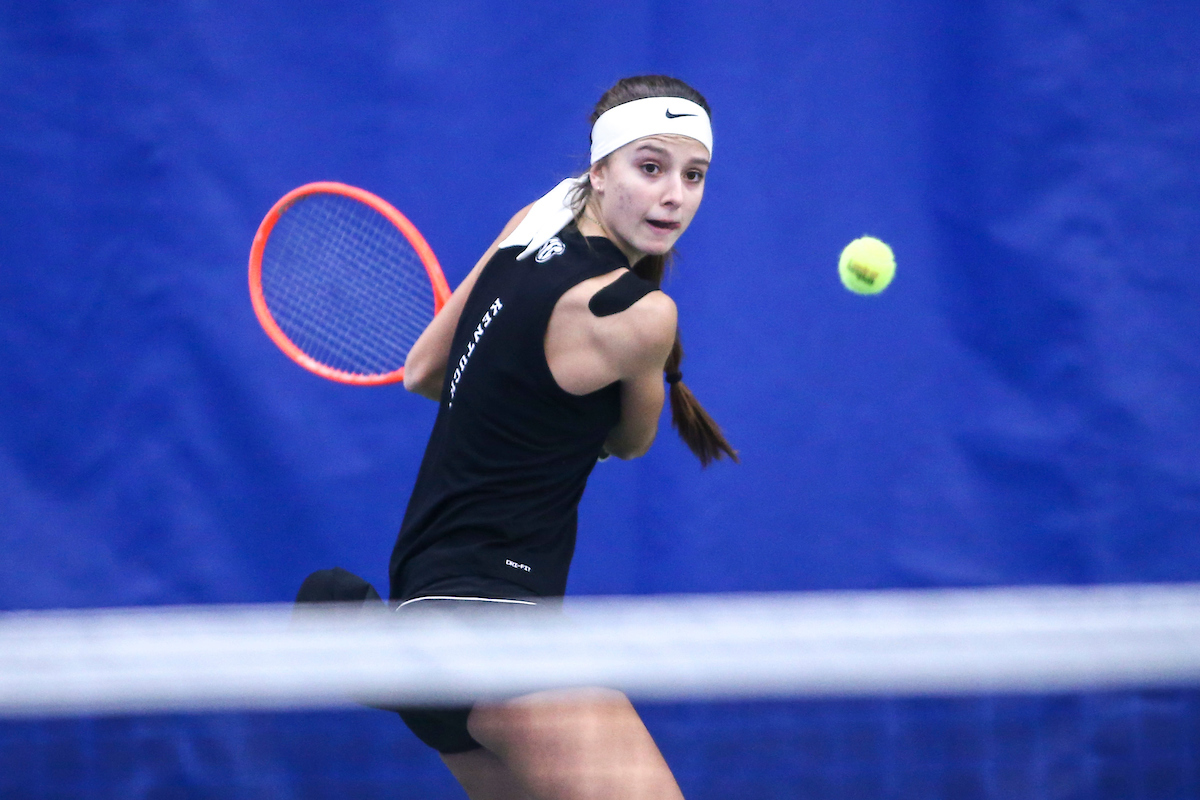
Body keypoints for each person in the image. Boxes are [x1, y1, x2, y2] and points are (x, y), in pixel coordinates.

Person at [300, 75, 736, 800]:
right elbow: (630, 442)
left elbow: (423, 370)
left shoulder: (533, 219)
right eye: (650, 167)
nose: (674, 196)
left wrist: (523, 385)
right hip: (496, 636)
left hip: (425, 625)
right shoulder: (644, 317)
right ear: (600, 171)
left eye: (694, 176)